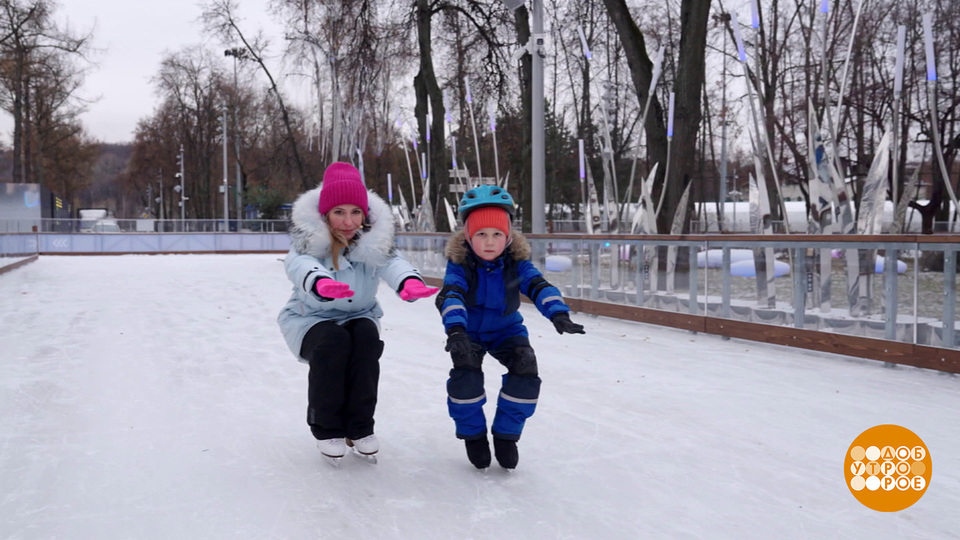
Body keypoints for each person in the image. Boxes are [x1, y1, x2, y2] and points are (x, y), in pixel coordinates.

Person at [278, 162, 438, 463]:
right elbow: (299, 265)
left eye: (355, 212)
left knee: (366, 339)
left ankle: (360, 427)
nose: (348, 221)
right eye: (339, 212)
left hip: (358, 314)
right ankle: (327, 428)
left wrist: (409, 282)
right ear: (325, 214)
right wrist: (320, 282)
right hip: (310, 318)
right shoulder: (308, 242)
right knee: (333, 343)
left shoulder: (374, 242)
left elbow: (393, 263)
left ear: (365, 214)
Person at [435, 185, 585, 470]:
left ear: (508, 237)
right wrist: (455, 330)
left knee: (525, 367)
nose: (489, 242)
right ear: (468, 236)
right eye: (481, 234)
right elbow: (451, 295)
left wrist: (558, 313)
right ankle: (473, 436)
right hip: (468, 331)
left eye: (497, 234)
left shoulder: (516, 263)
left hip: (506, 329)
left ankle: (506, 436)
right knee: (465, 378)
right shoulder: (460, 264)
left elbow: (539, 286)